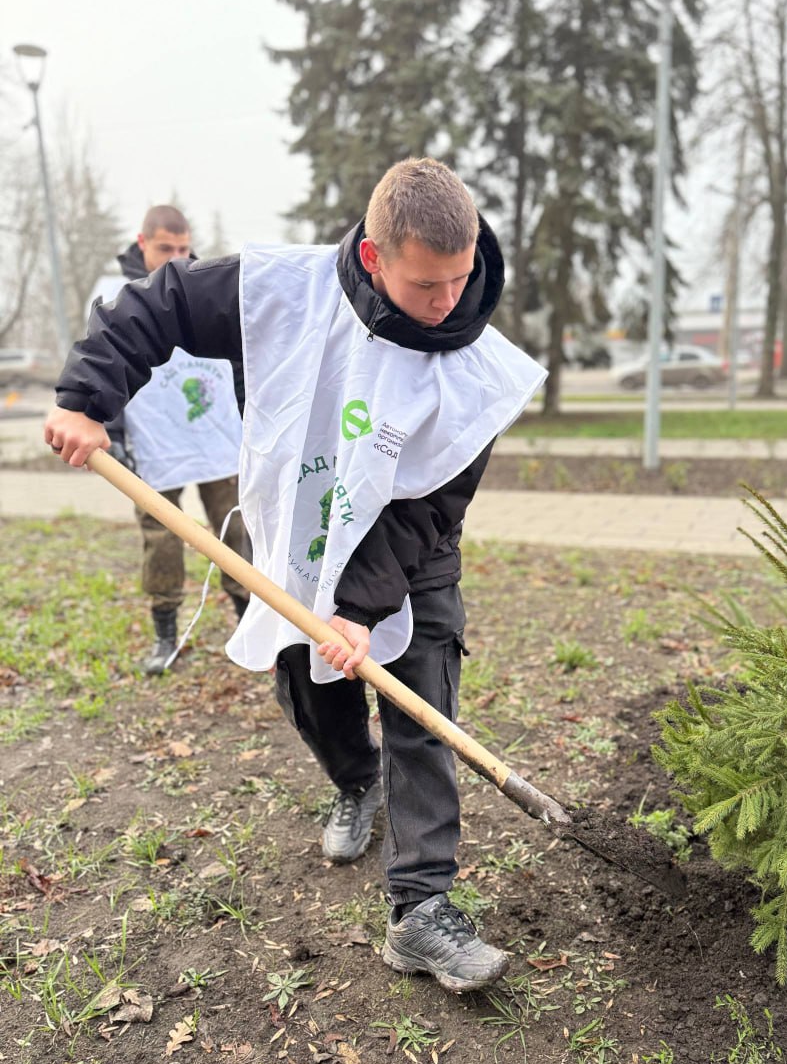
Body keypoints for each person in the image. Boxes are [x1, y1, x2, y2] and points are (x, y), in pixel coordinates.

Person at [45, 158, 545, 993]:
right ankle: (356, 781)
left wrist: (361, 608)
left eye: (460, 279)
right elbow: (158, 303)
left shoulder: (476, 370)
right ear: (376, 259)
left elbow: (430, 508)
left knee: (419, 696)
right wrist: (86, 396)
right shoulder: (283, 290)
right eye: (427, 284)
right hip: (300, 533)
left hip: (411, 550)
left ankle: (421, 908)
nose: (448, 301)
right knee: (310, 685)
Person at [88, 205, 251, 673]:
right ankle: (165, 635)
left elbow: (240, 359)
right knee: (160, 538)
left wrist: (249, 419)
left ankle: (248, 626)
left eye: (183, 248)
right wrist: (112, 431)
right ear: (142, 243)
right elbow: (102, 362)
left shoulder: (208, 287)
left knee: (237, 531)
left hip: (218, 438)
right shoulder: (115, 296)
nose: (176, 258)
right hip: (154, 443)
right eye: (165, 248)